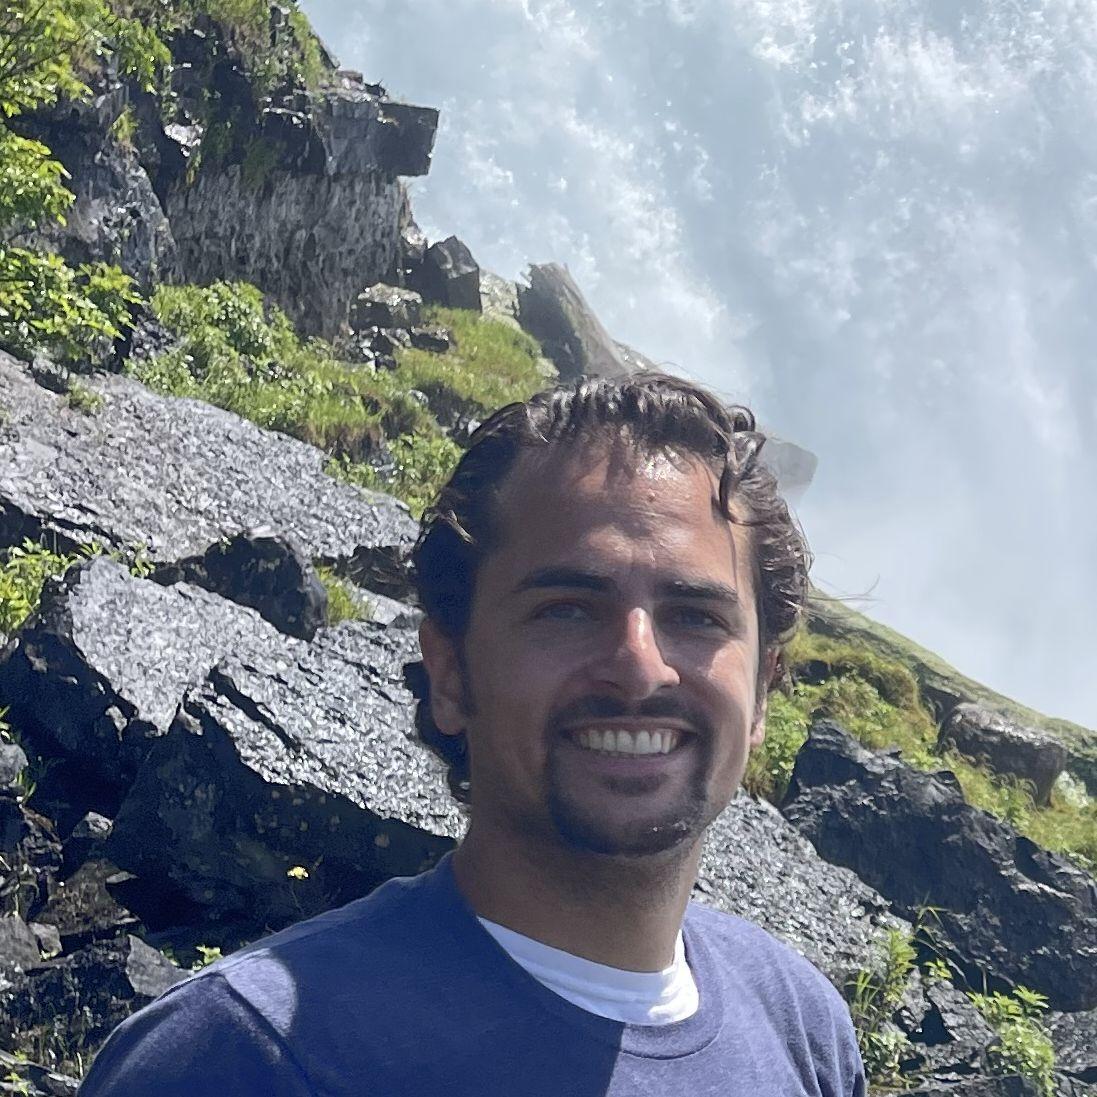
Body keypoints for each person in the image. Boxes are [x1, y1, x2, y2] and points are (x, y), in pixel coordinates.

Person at [78, 373, 866, 1096]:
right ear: (451, 671)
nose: (638, 667)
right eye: (566, 608)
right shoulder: (240, 1057)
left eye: (695, 616)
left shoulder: (803, 1028)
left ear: (760, 693)